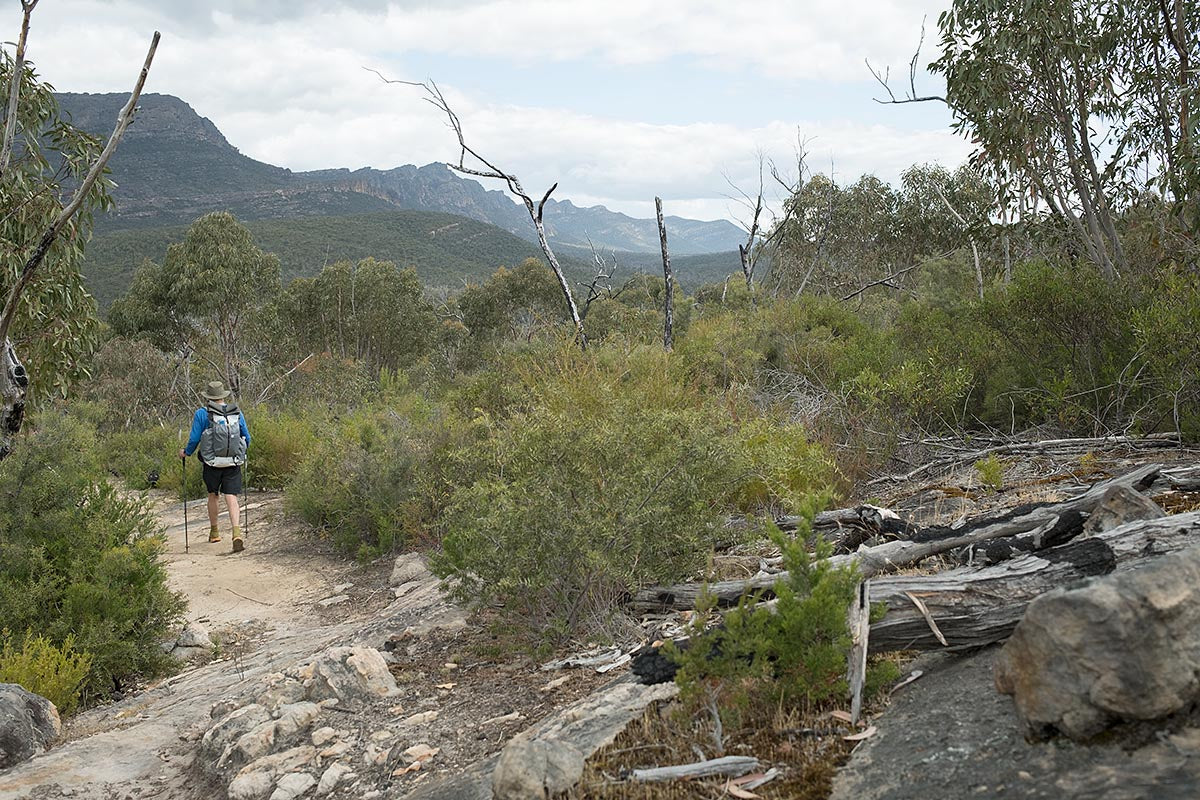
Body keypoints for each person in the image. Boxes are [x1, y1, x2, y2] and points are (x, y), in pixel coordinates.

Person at [179, 380, 251, 553]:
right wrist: (240, 453)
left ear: (208, 397)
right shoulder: (236, 412)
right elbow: (246, 437)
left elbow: (195, 438)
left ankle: (215, 532)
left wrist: (186, 452)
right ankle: (236, 532)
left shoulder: (202, 414)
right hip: (232, 461)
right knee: (231, 496)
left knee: (213, 495)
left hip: (211, 462)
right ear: (223, 396)